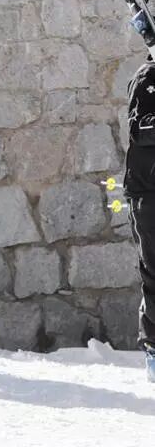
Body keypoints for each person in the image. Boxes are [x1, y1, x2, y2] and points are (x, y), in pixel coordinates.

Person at [124, 54, 155, 381]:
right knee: (154, 272)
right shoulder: (148, 76)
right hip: (149, 193)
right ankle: (154, 351)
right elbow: (140, 128)